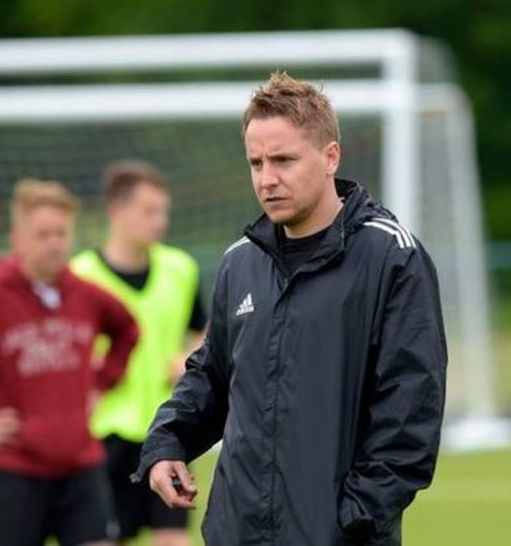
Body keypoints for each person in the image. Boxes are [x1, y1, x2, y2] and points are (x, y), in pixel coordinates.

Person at [133, 71, 448, 546]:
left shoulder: (391, 257)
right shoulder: (241, 262)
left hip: (338, 534)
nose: (267, 179)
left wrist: (356, 518)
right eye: (256, 163)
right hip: (237, 531)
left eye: (283, 160)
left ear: (330, 156)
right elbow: (212, 375)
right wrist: (168, 441)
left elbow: (411, 405)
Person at [0, 179, 139, 546]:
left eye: (61, 233)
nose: (54, 243)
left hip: (82, 465)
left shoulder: (86, 295)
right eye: (42, 234)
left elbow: (127, 330)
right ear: (17, 239)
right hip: (18, 471)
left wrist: (102, 383)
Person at [70, 160, 205, 546]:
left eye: (163, 211)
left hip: (168, 430)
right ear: (117, 211)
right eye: (149, 211)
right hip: (103, 434)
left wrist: (190, 358)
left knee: (174, 538)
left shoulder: (180, 268)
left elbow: (205, 331)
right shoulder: (80, 276)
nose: (160, 221)